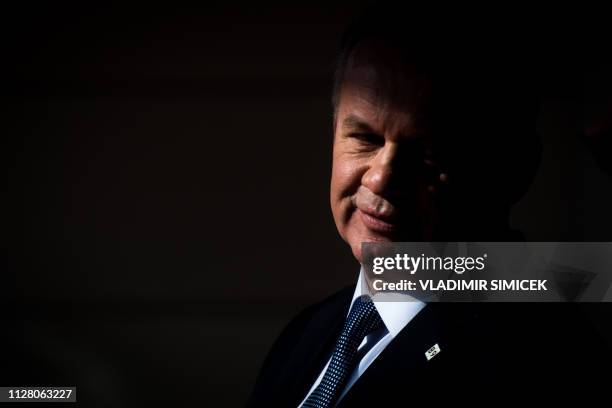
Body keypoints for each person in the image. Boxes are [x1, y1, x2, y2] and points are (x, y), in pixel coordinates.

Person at [248, 8, 609, 407]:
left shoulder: (544, 368)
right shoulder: (306, 334)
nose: (381, 179)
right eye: (365, 138)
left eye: (428, 152)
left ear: (515, 170)